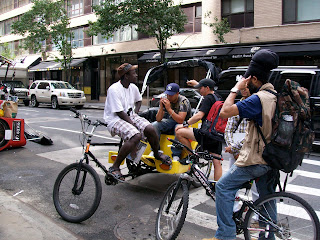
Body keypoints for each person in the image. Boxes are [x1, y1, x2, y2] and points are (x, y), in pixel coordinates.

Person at [202, 49, 279, 240]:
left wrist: (235, 88)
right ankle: (268, 237)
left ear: (252, 78)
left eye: (247, 79)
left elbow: (225, 111)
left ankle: (225, 235)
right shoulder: (273, 94)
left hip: (256, 159)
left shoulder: (257, 99)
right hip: (273, 158)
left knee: (223, 187)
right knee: (265, 200)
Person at [103, 63, 171, 181]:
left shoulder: (133, 87)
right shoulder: (114, 89)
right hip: (115, 119)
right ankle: (115, 167)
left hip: (129, 115)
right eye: (133, 73)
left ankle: (156, 153)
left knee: (150, 128)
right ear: (126, 76)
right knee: (136, 135)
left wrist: (135, 112)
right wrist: (133, 123)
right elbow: (119, 112)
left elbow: (138, 100)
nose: (136, 75)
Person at [175, 78, 222, 181]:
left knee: (179, 132)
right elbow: (209, 87)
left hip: (206, 134)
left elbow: (199, 115)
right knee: (217, 162)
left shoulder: (207, 99)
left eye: (201, 88)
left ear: (207, 88)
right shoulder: (217, 97)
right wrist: (197, 84)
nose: (199, 91)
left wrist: (185, 124)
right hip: (217, 134)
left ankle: (192, 156)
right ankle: (217, 188)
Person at [224, 87, 259, 211]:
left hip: (251, 150)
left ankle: (257, 215)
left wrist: (235, 148)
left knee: (255, 186)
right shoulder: (238, 105)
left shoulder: (257, 104)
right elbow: (228, 129)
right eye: (242, 88)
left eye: (246, 87)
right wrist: (234, 150)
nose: (244, 90)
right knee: (232, 183)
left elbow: (252, 135)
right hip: (235, 149)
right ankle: (234, 210)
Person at [152, 83, 191, 160]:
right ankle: (156, 150)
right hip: (171, 120)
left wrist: (169, 109)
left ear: (177, 93)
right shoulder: (165, 99)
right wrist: (161, 107)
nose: (169, 97)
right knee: (155, 125)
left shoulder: (183, 101)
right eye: (168, 95)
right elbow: (158, 119)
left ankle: (176, 154)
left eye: (171, 95)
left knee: (178, 128)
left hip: (184, 123)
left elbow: (180, 120)